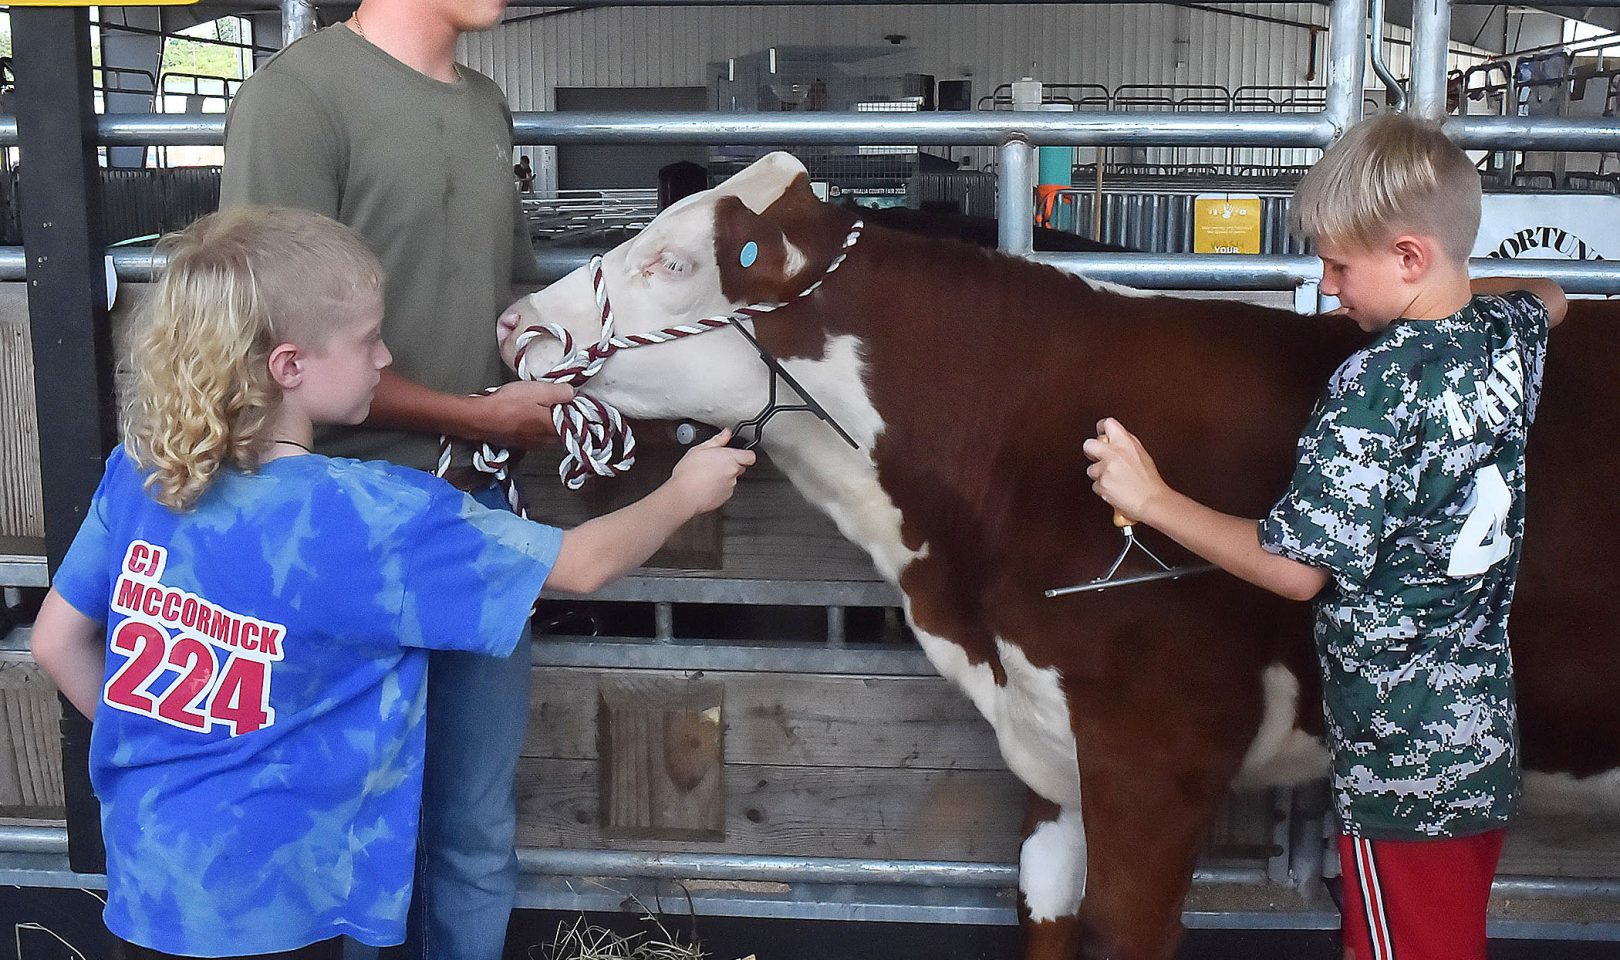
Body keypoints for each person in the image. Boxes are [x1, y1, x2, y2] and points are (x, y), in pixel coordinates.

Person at [27, 207, 752, 960]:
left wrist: (182, 732)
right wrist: (684, 492)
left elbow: (55, 642)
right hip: (287, 901)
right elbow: (581, 564)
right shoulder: (370, 515)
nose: (385, 358)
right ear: (289, 366)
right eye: (369, 339)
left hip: (150, 882)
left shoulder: (143, 477)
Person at [1081, 114, 1566, 960]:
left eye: (1341, 265)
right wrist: (1453, 308)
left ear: (1411, 256)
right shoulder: (1505, 335)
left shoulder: (1373, 383)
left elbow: (1297, 569)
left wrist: (1151, 497)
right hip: (1478, 739)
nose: (1328, 286)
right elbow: (1553, 298)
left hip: (1402, 761)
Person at [218, 4, 566, 956]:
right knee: (356, 830)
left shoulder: (489, 105)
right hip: (343, 524)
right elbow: (265, 344)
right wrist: (477, 413)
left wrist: (595, 361)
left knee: (476, 823)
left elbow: (508, 295)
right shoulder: (294, 99)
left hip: (471, 507)